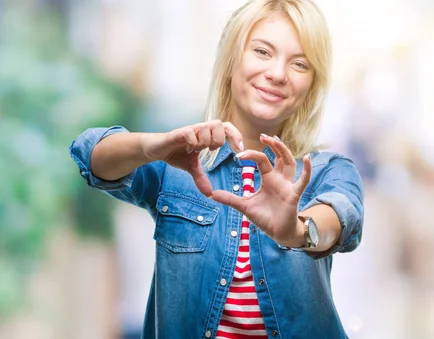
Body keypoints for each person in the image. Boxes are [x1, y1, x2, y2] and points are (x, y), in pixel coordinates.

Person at [69, 0, 364, 338]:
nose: (278, 74)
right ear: (230, 61)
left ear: (312, 84)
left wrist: (297, 231)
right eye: (263, 52)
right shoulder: (180, 161)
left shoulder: (329, 170)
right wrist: (152, 146)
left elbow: (341, 218)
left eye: (299, 64)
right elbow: (88, 154)